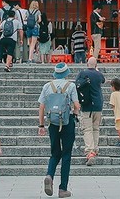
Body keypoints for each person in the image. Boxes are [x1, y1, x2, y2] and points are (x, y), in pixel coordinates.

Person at [37, 62, 80, 198]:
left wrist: (41, 125)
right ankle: (63, 189)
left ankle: (49, 175)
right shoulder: (70, 86)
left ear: (55, 74)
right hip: (67, 123)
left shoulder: (47, 86)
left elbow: (42, 107)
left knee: (55, 153)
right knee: (66, 155)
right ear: (66, 73)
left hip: (53, 123)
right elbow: (77, 105)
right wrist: (75, 114)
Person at [74, 58, 104, 165]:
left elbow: (76, 84)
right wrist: (97, 70)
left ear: (87, 64)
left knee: (87, 129)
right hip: (98, 105)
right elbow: (103, 80)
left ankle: (90, 152)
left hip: (86, 105)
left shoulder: (82, 73)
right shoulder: (99, 74)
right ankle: (95, 149)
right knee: (96, 128)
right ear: (96, 65)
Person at [0, 0, 17, 71]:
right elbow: (16, 19)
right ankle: (10, 61)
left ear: (4, 2)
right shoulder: (13, 10)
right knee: (10, 47)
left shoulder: (0, 10)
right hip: (12, 33)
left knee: (0, 45)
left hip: (3, 31)